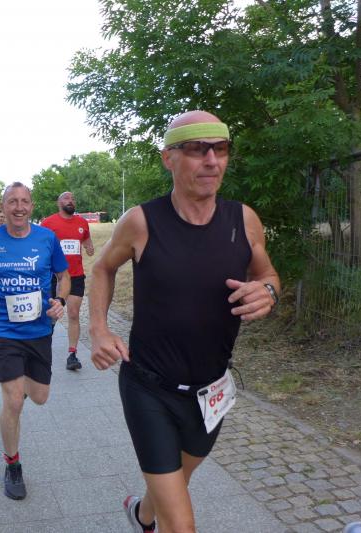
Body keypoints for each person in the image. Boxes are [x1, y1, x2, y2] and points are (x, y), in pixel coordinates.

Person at [89, 110, 280, 533]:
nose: (211, 160)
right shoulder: (142, 221)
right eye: (196, 149)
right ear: (168, 158)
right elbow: (102, 268)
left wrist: (267, 291)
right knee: (181, 523)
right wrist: (99, 329)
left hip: (211, 392)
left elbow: (267, 274)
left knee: (175, 479)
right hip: (148, 386)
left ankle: (141, 516)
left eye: (220, 149)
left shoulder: (244, 220)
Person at [0, 182, 70, 501]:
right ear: (4, 207)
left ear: (31, 206)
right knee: (14, 402)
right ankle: (13, 464)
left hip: (39, 330)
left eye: (24, 201)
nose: (18, 207)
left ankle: (18, 385)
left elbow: (64, 277)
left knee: (40, 397)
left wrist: (61, 301)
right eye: (12, 201)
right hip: (2, 331)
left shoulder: (47, 238)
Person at [41, 192, 94, 370]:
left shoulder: (82, 223)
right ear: (59, 203)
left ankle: (72, 354)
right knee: (51, 314)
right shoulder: (48, 223)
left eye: (73, 199)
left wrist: (89, 247)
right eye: (66, 198)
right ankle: (42, 348)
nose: (70, 201)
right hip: (54, 276)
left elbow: (86, 240)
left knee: (73, 314)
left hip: (76, 275)